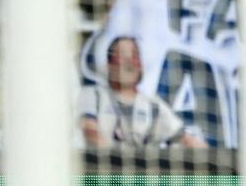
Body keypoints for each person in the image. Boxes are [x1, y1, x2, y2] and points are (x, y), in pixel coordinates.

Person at [79, 37, 208, 148]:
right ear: (109, 65)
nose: (129, 61)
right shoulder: (93, 95)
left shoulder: (153, 105)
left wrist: (213, 160)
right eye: (123, 55)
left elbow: (186, 139)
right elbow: (90, 130)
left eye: (134, 55)